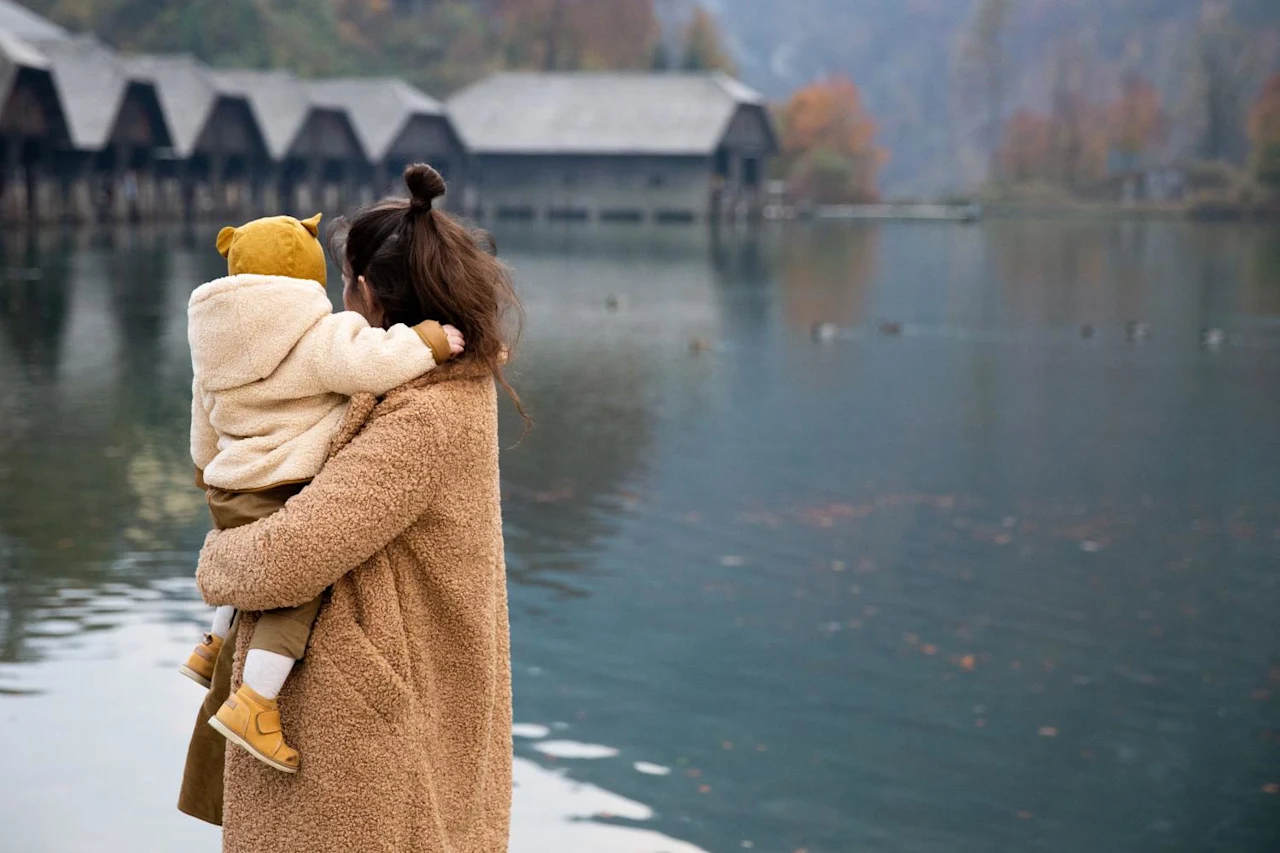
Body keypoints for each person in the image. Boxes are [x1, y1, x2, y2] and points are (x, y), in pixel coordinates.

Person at [178, 163, 521, 853]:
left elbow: (292, 554)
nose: (339, 301)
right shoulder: (416, 384)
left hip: (370, 743)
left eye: (343, 284)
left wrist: (215, 558)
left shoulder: (428, 412)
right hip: (379, 717)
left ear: (366, 289)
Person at [182, 211, 464, 773]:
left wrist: (208, 472)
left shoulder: (212, 350)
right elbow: (372, 363)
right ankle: (256, 703)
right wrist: (429, 341)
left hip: (230, 486)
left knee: (246, 564)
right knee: (293, 593)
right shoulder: (318, 335)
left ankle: (211, 645)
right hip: (284, 484)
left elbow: (203, 423)